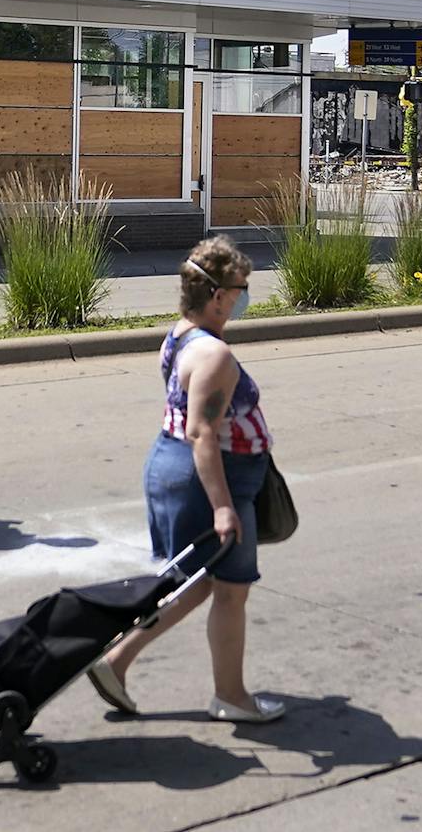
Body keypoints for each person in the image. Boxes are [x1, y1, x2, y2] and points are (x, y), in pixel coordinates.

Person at [87, 235, 285, 724]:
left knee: (197, 584)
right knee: (229, 588)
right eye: (240, 288)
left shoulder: (180, 335)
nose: (244, 297)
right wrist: (222, 506)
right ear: (218, 295)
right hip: (209, 477)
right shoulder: (213, 355)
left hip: (177, 466)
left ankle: (119, 661)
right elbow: (202, 434)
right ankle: (230, 697)